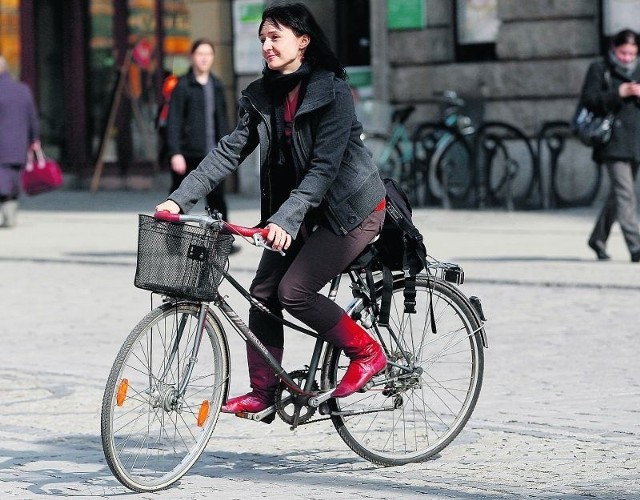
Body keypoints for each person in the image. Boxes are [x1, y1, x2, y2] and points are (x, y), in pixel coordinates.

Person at [156, 2, 387, 420]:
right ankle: (263, 391)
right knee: (263, 294)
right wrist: (179, 198)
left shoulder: (331, 91)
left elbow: (324, 167)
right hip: (300, 212)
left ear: (303, 41)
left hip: (350, 209)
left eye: (275, 36)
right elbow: (229, 151)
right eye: (262, 38)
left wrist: (285, 218)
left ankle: (368, 352)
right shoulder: (262, 95)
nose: (266, 45)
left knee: (293, 291)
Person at [582, 29, 640, 262]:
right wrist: (619, 93)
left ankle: (598, 237)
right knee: (626, 194)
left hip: (636, 141)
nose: (626, 58)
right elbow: (589, 101)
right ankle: (636, 246)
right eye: (622, 52)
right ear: (613, 49)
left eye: (631, 53)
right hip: (612, 142)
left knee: (618, 196)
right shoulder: (600, 69)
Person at [165, 38, 231, 221]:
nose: (204, 58)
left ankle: (221, 242)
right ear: (192, 57)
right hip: (188, 155)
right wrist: (175, 152)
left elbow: (223, 120)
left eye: (208, 54)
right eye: (200, 54)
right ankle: (173, 243)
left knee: (217, 200)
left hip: (213, 155)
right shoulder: (183, 85)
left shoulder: (216, 85)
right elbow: (174, 120)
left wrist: (227, 151)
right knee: (179, 200)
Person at [0, 55, 40, 228]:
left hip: (1, 148)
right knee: (13, 179)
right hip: (17, 146)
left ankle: (8, 214)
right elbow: (33, 118)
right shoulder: (23, 90)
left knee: (2, 181)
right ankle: (11, 213)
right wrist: (34, 138)